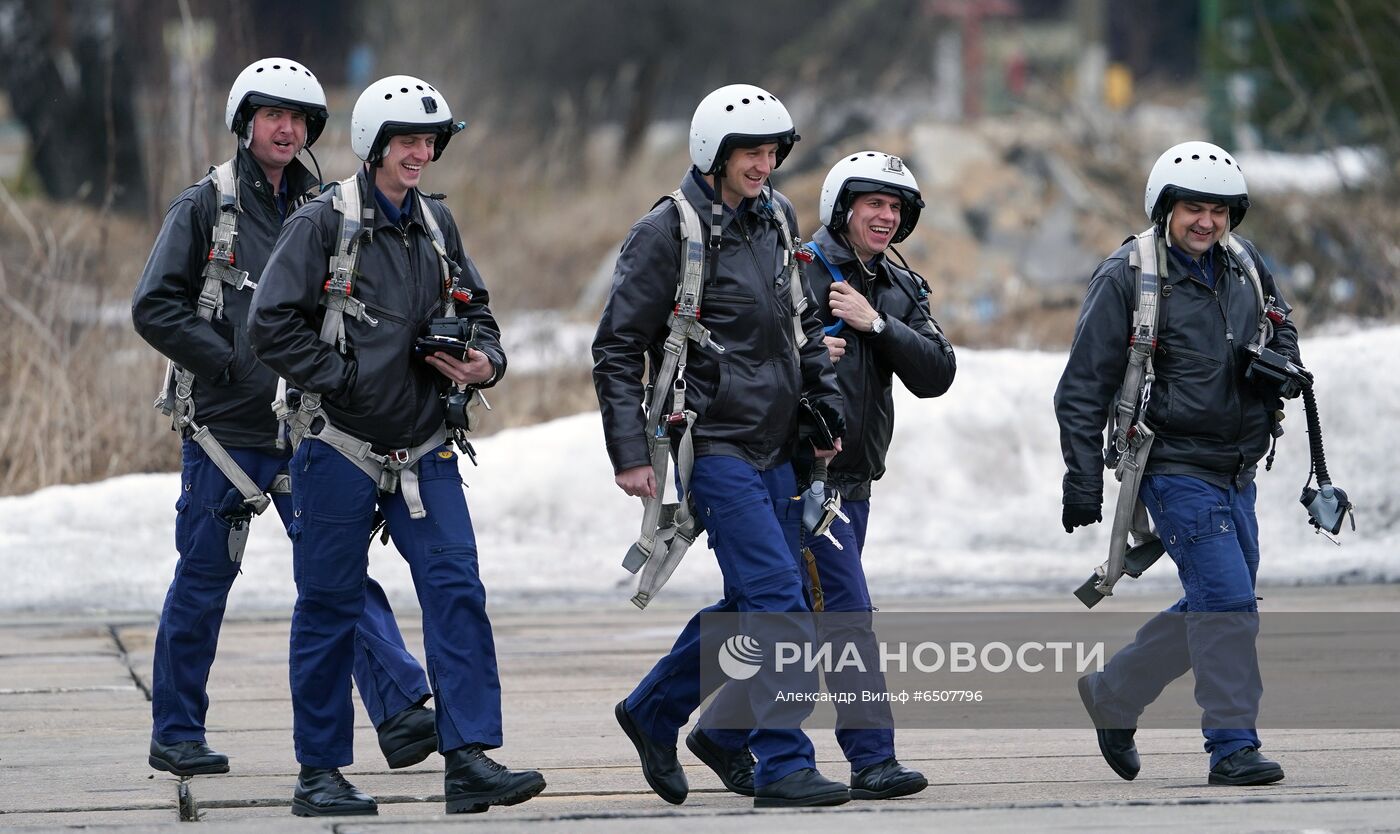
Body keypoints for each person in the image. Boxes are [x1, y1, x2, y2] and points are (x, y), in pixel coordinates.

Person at [131, 57, 436, 782]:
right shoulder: (205, 206)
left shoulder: (331, 209)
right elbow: (155, 307)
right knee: (203, 579)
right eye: (273, 115)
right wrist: (231, 363)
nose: (286, 128)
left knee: (337, 576)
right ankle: (176, 732)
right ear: (245, 123)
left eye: (298, 119)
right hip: (224, 433)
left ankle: (399, 713)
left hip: (307, 427)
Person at [249, 74, 544, 816]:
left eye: (429, 142)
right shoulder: (322, 223)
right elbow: (269, 323)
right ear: (374, 145)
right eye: (408, 141)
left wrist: (485, 363)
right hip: (337, 445)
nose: (421, 154)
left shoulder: (439, 227)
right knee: (328, 604)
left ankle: (470, 757)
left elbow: (483, 320)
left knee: (457, 591)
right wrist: (340, 376)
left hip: (425, 448)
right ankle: (320, 773)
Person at [593, 83, 851, 808]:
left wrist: (825, 413)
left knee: (751, 602)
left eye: (772, 150)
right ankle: (783, 759)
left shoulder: (778, 219)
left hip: (777, 447)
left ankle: (666, 715)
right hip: (712, 446)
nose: (763, 164)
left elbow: (799, 329)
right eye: (750, 152)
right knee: (779, 600)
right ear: (714, 154)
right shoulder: (667, 232)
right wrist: (628, 452)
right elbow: (616, 349)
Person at [1054, 140, 1301, 786]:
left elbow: (1282, 325)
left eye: (1219, 211)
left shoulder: (1245, 265)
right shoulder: (1127, 277)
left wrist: (1280, 368)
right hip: (1173, 467)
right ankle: (1232, 746)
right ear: (1165, 208)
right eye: (1193, 208)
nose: (1207, 223)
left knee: (1223, 599)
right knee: (1225, 602)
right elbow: (1080, 388)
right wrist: (1081, 480)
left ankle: (1115, 692)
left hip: (1238, 467)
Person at [798, 150, 957, 799]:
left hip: (857, 479)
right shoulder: (799, 270)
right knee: (847, 616)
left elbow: (938, 371)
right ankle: (872, 757)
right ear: (844, 208)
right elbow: (746, 351)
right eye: (874, 204)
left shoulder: (897, 285)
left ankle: (694, 722)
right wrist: (809, 347)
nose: (886, 216)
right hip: (800, 476)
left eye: (896, 207)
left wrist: (877, 323)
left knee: (773, 617)